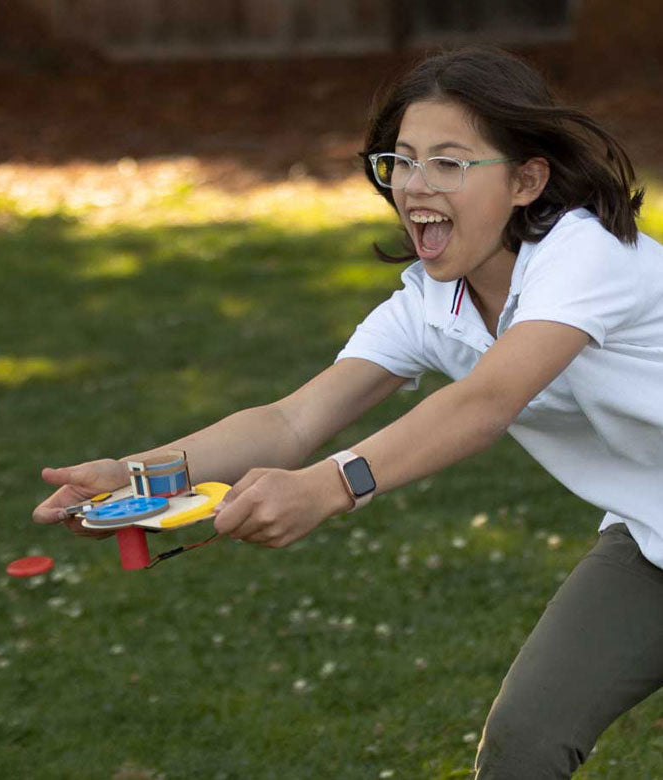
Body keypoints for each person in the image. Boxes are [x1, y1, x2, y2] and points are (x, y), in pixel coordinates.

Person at [33, 46, 663, 778]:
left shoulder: (586, 256)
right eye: (402, 161)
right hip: (651, 545)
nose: (415, 186)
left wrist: (333, 485)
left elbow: (488, 401)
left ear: (527, 179)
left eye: (450, 163)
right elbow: (289, 421)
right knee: (524, 742)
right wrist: (131, 476)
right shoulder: (432, 303)